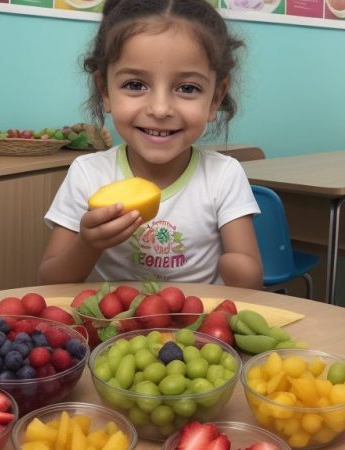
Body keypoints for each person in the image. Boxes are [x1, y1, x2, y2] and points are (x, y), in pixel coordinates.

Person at [39, 0, 262, 289]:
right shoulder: (87, 174)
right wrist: (87, 244)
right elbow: (49, 281)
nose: (159, 109)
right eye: (135, 85)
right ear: (105, 91)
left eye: (187, 88)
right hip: (112, 327)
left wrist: (242, 269)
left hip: (194, 328)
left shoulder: (224, 175)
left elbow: (250, 279)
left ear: (216, 98)